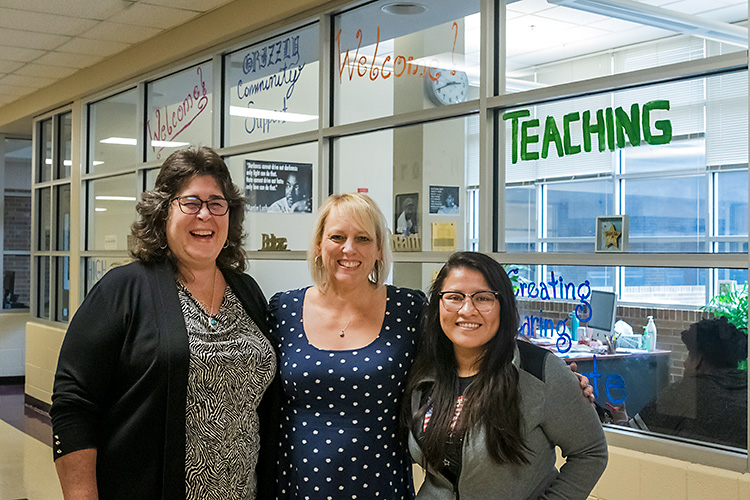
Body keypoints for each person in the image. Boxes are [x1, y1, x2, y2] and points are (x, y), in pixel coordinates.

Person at [50, 147, 280, 500]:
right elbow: (74, 403)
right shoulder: (123, 289)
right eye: (190, 202)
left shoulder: (246, 291)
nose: (205, 214)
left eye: (217, 204)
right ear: (162, 212)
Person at [404, 251, 608, 499]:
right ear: (438, 305)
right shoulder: (423, 370)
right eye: (454, 297)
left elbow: (590, 452)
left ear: (504, 306)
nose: (467, 310)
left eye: (483, 298)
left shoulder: (539, 371)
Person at [270, 193, 426, 500]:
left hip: (380, 484)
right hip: (297, 484)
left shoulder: (409, 309)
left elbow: (457, 366)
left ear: (380, 249)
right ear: (318, 244)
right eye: (337, 237)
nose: (349, 249)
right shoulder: (283, 309)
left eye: (363, 238)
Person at [607, 317, 748, 449]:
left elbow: (630, 440)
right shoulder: (745, 385)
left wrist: (620, 420)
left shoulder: (686, 392)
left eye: (689, 356)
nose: (685, 363)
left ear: (698, 360)